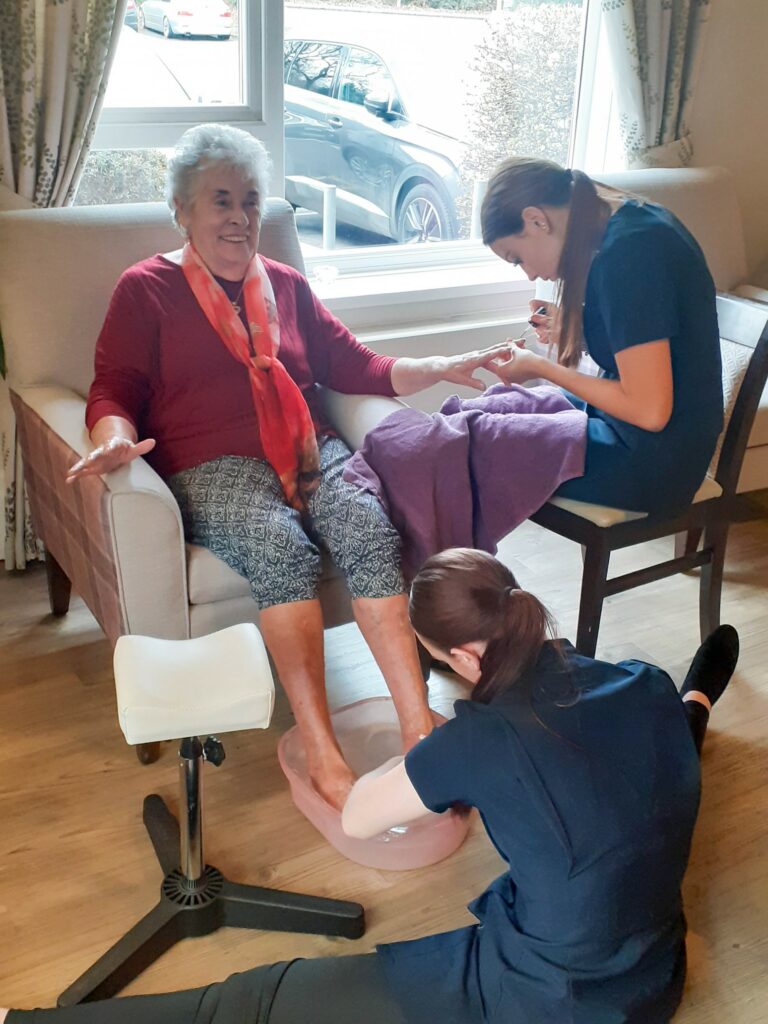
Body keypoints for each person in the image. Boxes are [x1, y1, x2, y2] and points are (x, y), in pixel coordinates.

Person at [2, 549, 739, 1024]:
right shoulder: (642, 685)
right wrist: (694, 696)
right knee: (675, 737)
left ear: (461, 656)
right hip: (653, 981)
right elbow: (668, 731)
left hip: (550, 1002)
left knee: (256, 1001)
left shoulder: (478, 742)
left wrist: (423, 753)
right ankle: (706, 688)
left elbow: (357, 818)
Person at [65, 123, 509, 810]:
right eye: (221, 200)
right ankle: (322, 751)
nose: (240, 217)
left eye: (249, 200)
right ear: (182, 209)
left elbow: (356, 364)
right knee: (281, 547)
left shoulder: (287, 287)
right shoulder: (145, 290)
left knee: (366, 526)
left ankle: (419, 728)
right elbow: (112, 387)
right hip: (210, 463)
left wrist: (439, 368)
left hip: (306, 450)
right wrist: (115, 437)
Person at [482, 158, 724, 516]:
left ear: (537, 219)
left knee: (480, 447)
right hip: (641, 435)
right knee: (491, 410)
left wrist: (541, 368)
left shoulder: (628, 254)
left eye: (516, 257)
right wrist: (575, 327)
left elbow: (649, 410)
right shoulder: (632, 223)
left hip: (655, 461)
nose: (528, 272)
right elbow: (655, 337)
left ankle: (458, 571)